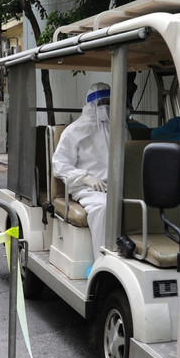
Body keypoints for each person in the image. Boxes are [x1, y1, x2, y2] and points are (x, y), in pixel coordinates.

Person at [52, 82, 126, 257]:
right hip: (86, 187)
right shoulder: (73, 131)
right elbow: (59, 165)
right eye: (101, 103)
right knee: (103, 207)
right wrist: (85, 178)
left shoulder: (120, 130)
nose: (105, 107)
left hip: (115, 186)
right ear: (91, 105)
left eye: (109, 102)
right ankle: (103, 260)